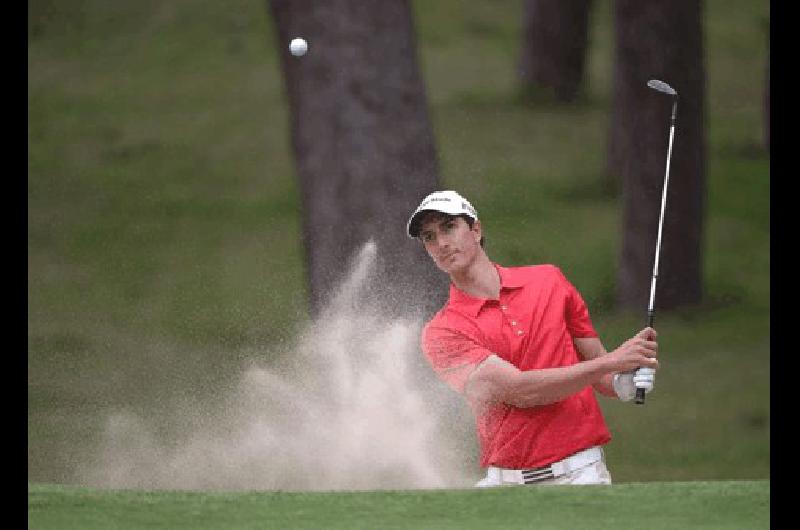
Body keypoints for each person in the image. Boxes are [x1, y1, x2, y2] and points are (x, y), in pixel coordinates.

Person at [406, 190, 659, 486]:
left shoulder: (549, 281)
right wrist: (613, 363)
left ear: (476, 229)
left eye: (449, 227)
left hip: (582, 475)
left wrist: (622, 382)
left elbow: (598, 367)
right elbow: (520, 391)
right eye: (429, 237)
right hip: (507, 483)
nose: (442, 243)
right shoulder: (442, 332)